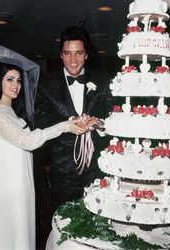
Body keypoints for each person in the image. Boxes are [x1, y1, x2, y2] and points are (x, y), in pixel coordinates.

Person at [0, 53, 87, 249]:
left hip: (19, 182)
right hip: (6, 187)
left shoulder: (12, 112)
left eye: (18, 80)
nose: (16, 84)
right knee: (4, 231)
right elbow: (28, 141)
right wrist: (65, 126)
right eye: (9, 79)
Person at [34, 25, 112, 212]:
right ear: (61, 55)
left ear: (86, 54)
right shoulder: (45, 85)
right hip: (62, 172)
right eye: (67, 54)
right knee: (64, 222)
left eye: (79, 53)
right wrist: (66, 125)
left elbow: (116, 117)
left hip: (96, 169)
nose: (73, 60)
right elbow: (41, 122)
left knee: (97, 223)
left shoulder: (104, 81)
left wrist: (100, 124)